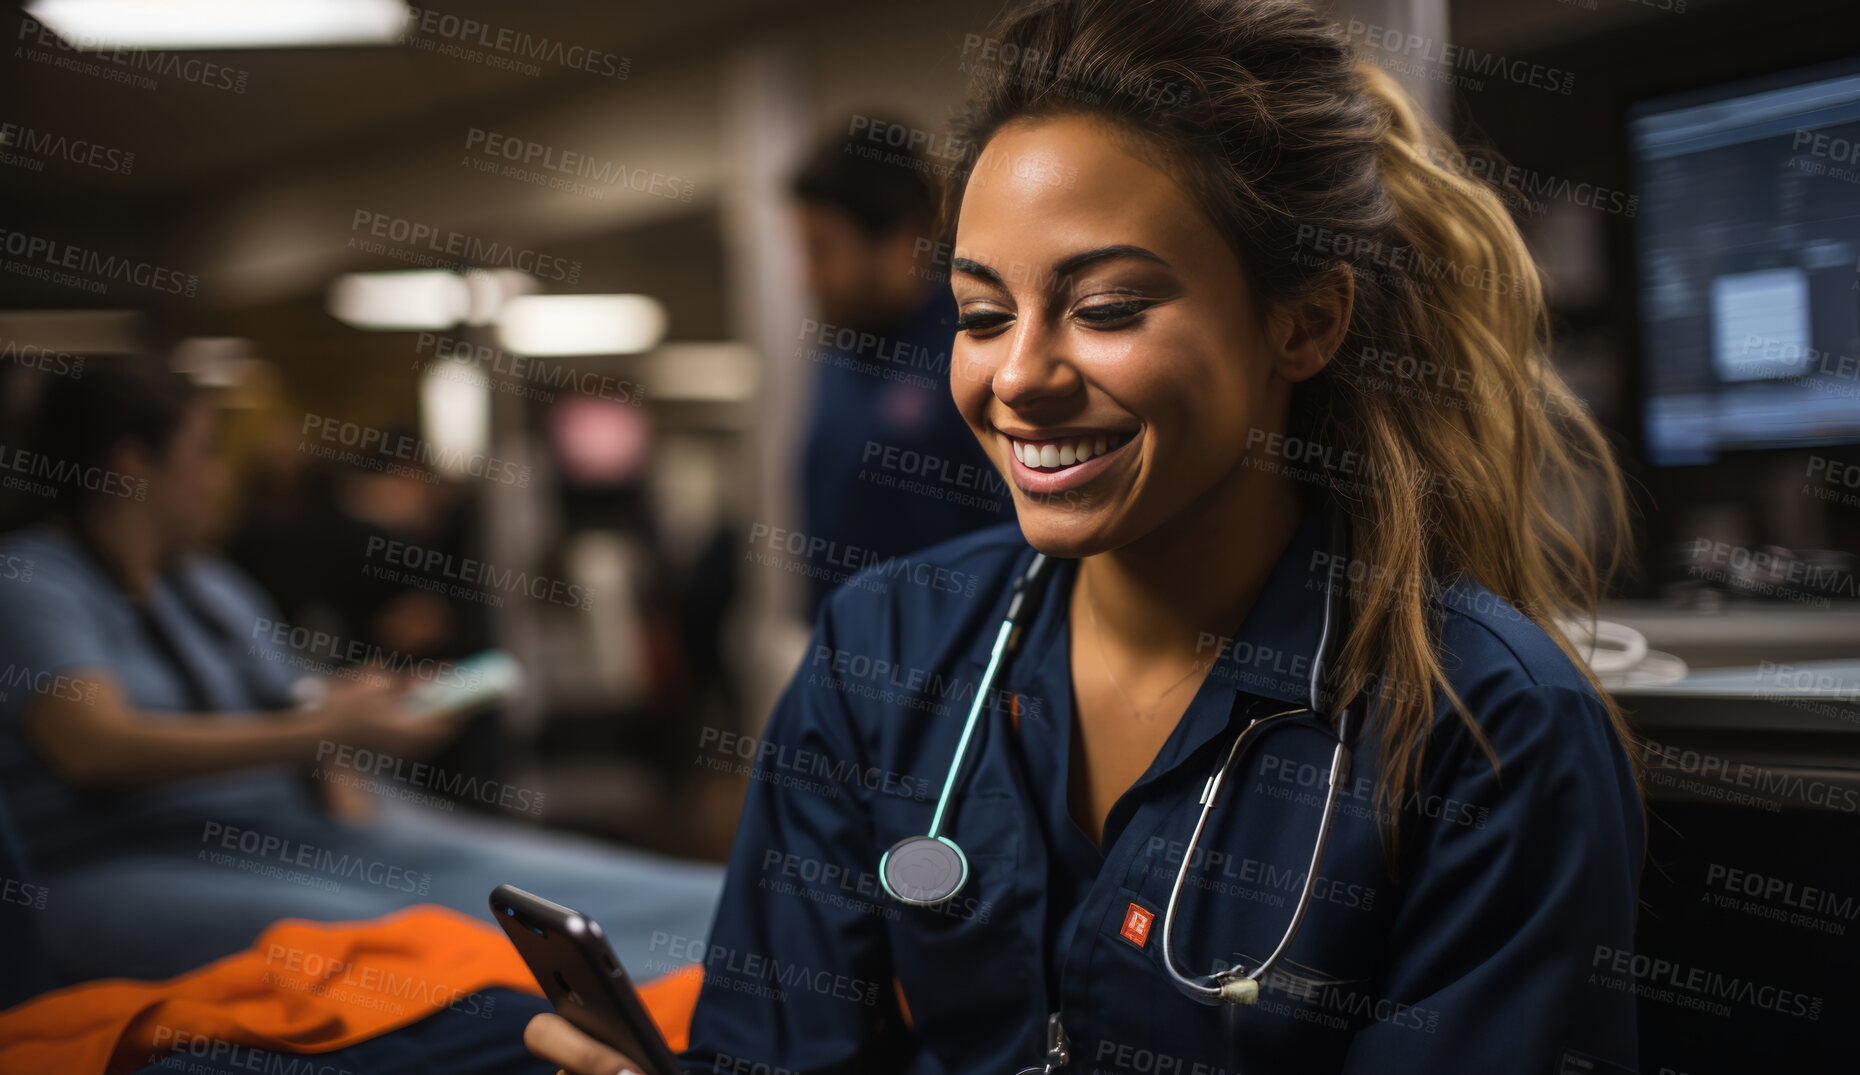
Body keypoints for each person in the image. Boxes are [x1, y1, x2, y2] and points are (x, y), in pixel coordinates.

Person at [525, 1, 1645, 1073]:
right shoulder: (884, 652)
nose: (1018, 376)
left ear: (1303, 321)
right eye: (979, 314)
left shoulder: (1488, 733)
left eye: (1106, 307)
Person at [0, 357, 722, 987]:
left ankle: (742, 935)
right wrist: (319, 730)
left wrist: (355, 713)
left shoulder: (207, 586)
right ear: (133, 465)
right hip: (132, 863)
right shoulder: (34, 580)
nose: (218, 476)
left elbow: (295, 705)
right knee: (425, 941)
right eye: (203, 453)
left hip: (291, 827)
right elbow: (93, 743)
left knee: (557, 878)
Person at [792, 113, 1016, 620]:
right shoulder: (837, 358)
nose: (805, 277)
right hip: (850, 659)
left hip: (957, 663)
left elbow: (1021, 538)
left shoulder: (973, 347)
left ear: (900, 242)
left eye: (822, 250)